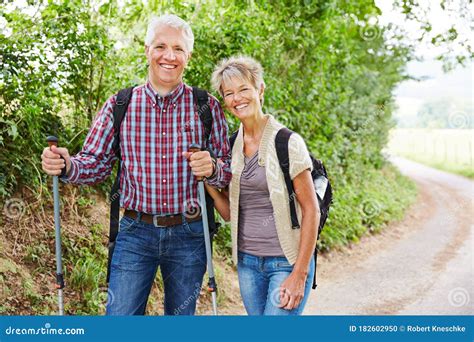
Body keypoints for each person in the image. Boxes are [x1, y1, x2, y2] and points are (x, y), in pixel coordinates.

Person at [41, 14, 231, 315]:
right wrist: (66, 165)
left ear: (188, 56)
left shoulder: (205, 106)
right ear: (147, 50)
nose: (169, 56)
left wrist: (214, 168)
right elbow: (96, 163)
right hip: (135, 234)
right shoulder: (121, 104)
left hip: (190, 233)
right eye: (161, 46)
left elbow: (228, 167)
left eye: (178, 49)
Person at [208, 55, 320, 315]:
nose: (237, 98)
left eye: (244, 89)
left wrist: (299, 274)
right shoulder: (231, 145)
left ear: (260, 90)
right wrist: (207, 179)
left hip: (287, 262)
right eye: (229, 93)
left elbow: (311, 210)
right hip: (248, 264)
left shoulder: (287, 143)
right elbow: (229, 213)